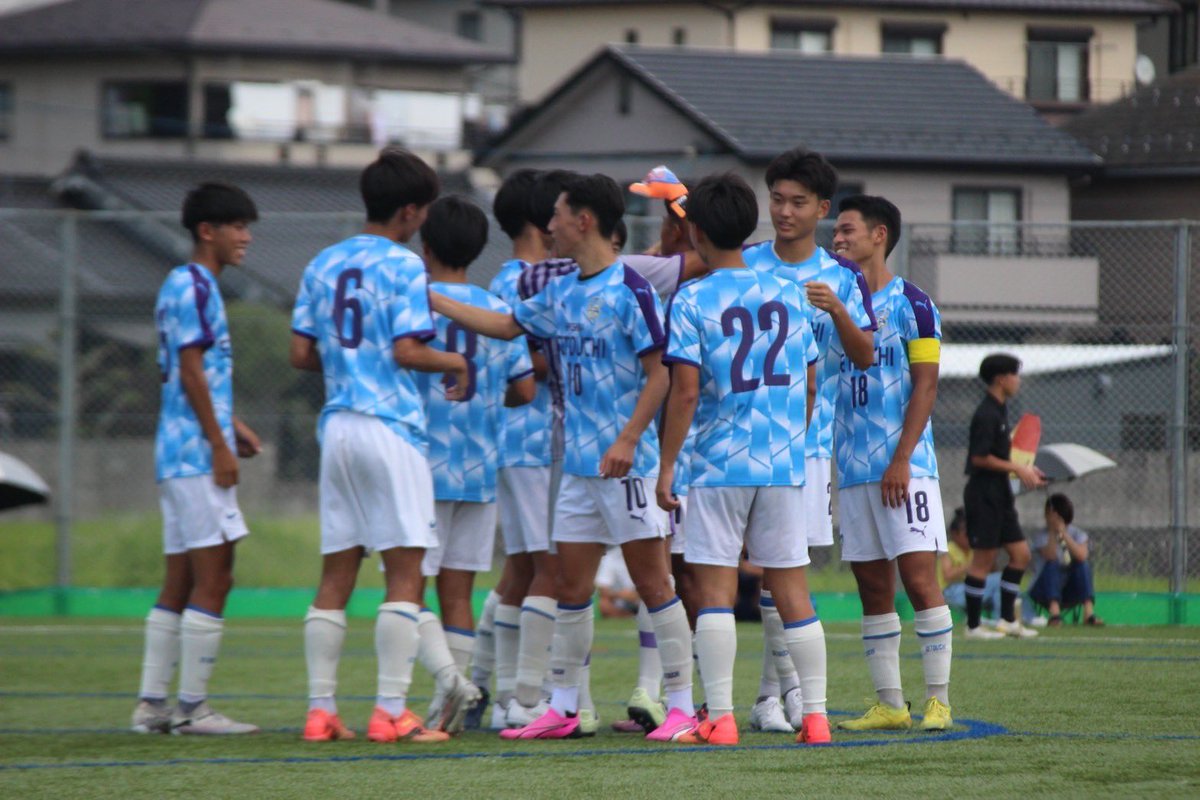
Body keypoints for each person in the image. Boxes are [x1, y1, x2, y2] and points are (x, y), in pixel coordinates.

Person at [428, 173, 697, 743]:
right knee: (571, 589)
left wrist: (628, 439)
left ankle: (681, 708)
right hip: (576, 468)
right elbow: (507, 325)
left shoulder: (631, 289)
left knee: (654, 584)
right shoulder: (562, 290)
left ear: (584, 221)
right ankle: (566, 707)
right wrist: (433, 299)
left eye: (556, 214)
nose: (548, 225)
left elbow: (661, 375)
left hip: (628, 468)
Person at [289, 147, 473, 744]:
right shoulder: (403, 266)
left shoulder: (322, 262)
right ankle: (391, 712)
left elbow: (301, 354)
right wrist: (457, 361)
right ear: (411, 211)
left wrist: (350, 360)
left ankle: (320, 712)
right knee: (406, 571)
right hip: (389, 426)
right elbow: (407, 350)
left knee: (336, 571)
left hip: (337, 427)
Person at [657, 172, 830, 747]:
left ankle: (722, 719)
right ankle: (817, 719)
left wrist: (667, 466)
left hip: (718, 463)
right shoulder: (788, 292)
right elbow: (811, 383)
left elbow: (684, 393)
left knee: (715, 591)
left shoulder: (692, 298)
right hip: (782, 464)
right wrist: (790, 442)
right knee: (793, 591)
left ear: (697, 232)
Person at [741, 146, 877, 733]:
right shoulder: (744, 263)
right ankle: (785, 694)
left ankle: (773, 697)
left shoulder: (843, 276)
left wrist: (840, 312)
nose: (784, 211)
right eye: (777, 199)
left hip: (808, 446)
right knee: (763, 570)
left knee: (786, 568)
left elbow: (865, 354)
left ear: (822, 209)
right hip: (744, 443)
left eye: (798, 202)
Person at [131, 182, 263, 736]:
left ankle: (151, 707)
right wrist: (219, 444)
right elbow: (189, 370)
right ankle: (192, 709)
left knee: (181, 580)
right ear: (206, 231)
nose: (246, 238)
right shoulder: (196, 285)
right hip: (195, 456)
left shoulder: (181, 283)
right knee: (216, 575)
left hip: (177, 450)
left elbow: (194, 373)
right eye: (237, 227)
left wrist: (232, 427)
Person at [830, 194, 955, 733]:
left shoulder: (913, 303)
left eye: (847, 230)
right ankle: (890, 704)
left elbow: (926, 386)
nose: (837, 239)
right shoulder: (834, 303)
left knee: (919, 579)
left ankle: (938, 701)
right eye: (836, 231)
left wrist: (902, 458)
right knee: (872, 587)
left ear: (879, 235)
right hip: (852, 467)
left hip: (907, 468)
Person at [414, 195, 536, 727]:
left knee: (407, 589)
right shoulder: (493, 309)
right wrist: (487, 393)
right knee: (458, 593)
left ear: (424, 246)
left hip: (421, 468)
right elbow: (525, 390)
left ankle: (448, 684)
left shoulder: (416, 304)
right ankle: (446, 710)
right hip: (480, 468)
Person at [475, 168, 559, 731]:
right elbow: (525, 364)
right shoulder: (528, 282)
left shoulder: (506, 279)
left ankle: (488, 686)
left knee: (523, 568)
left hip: (519, 439)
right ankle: (523, 696)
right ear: (538, 220)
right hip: (533, 439)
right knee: (550, 566)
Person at [963, 353, 1045, 640]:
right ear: (1000, 379)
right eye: (1014, 375)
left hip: (1001, 494)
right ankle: (973, 626)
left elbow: (1001, 456)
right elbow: (979, 458)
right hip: (983, 495)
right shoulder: (986, 413)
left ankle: (1008, 619)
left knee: (1021, 554)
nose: (1018, 381)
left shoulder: (1001, 410)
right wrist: (1017, 468)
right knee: (983, 560)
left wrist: (1027, 468)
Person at [1030, 494, 1104, 626]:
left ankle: (1088, 613)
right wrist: (1053, 532)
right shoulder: (1040, 536)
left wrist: (1064, 534)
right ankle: (1055, 614)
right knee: (1052, 564)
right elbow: (1050, 555)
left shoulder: (1078, 534)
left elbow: (1082, 555)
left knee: (1082, 565)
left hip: (1069, 589)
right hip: (1043, 589)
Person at [596, 546, 640, 619]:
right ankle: (630, 616)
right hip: (620, 601)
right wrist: (620, 595)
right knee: (604, 604)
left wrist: (636, 595)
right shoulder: (610, 557)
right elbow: (603, 590)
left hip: (642, 599)